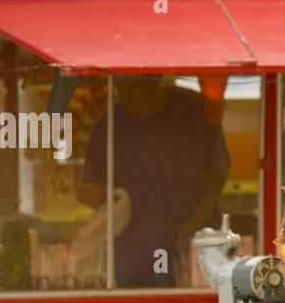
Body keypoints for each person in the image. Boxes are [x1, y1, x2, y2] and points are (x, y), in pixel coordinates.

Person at [80, 75, 229, 287]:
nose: (128, 96)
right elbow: (94, 187)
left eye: (135, 86)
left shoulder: (194, 109)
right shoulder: (108, 124)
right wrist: (93, 196)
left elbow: (219, 170)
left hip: (192, 245)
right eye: (120, 88)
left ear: (155, 80)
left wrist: (198, 219)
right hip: (133, 252)